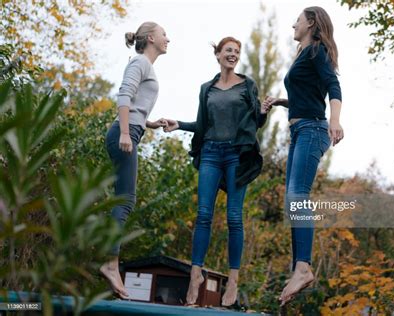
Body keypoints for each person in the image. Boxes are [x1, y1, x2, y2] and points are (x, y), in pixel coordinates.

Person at [160, 37, 267, 307]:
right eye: (228, 50)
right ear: (218, 55)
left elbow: (255, 122)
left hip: (236, 155)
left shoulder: (247, 85)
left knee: (234, 217)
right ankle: (195, 275)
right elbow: (203, 124)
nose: (233, 54)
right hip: (210, 153)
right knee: (203, 215)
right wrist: (179, 124)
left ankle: (233, 279)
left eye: (236, 52)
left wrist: (263, 111)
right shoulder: (206, 89)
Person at [262, 6, 344, 306]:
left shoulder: (317, 51)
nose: (292, 25)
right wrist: (283, 101)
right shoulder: (304, 54)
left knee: (298, 195)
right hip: (300, 129)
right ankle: (300, 267)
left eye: (297, 20)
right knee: (291, 198)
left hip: (313, 130)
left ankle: (303, 267)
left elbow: (333, 87)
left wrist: (335, 121)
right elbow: (307, 95)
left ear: (310, 23)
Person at [99, 21, 170, 300]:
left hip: (131, 131)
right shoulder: (139, 62)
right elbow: (124, 95)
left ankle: (109, 260)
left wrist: (148, 123)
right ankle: (110, 262)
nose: (168, 39)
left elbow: (136, 103)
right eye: (164, 34)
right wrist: (127, 132)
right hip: (123, 134)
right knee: (126, 200)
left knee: (122, 199)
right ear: (151, 38)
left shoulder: (145, 65)